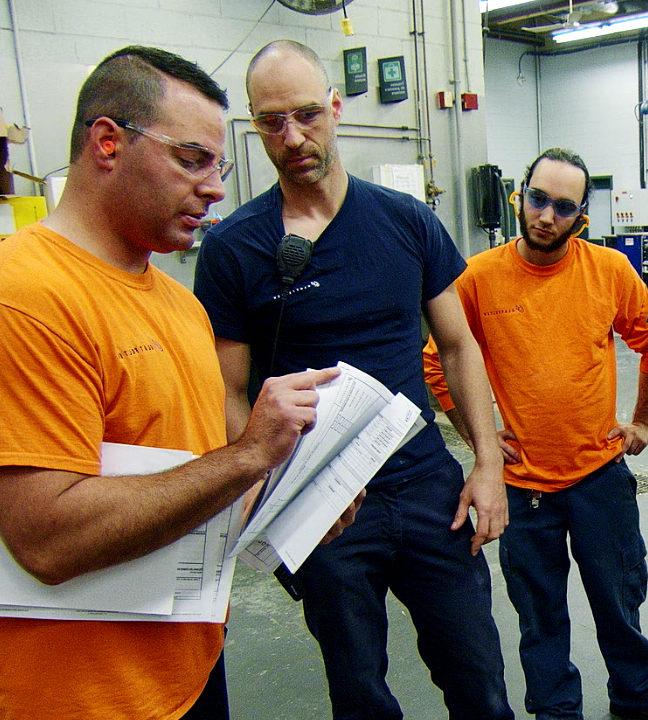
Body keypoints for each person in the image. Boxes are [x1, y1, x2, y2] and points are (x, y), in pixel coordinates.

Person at [0, 45, 362, 720]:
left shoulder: (178, 304)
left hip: (185, 675)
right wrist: (251, 454)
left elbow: (191, 474)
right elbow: (46, 539)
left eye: (218, 168)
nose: (217, 189)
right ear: (108, 142)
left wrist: (287, 502)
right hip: (79, 698)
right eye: (191, 160)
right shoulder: (25, 294)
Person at [195, 39, 514, 720]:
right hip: (321, 501)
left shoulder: (406, 222)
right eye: (272, 121)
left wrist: (488, 465)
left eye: (307, 113)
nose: (293, 136)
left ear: (336, 108)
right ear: (254, 126)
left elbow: (457, 346)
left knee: (478, 677)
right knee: (359, 690)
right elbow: (229, 392)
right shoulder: (234, 249)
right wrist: (267, 492)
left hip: (426, 485)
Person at [423, 148, 648, 720]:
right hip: (522, 488)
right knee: (539, 615)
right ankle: (555, 710)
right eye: (538, 198)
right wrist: (479, 440)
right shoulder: (477, 277)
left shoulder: (611, 272)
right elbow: (438, 363)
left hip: (601, 477)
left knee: (620, 604)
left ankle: (635, 695)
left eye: (564, 206)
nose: (546, 215)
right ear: (518, 197)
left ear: (582, 218)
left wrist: (642, 420)